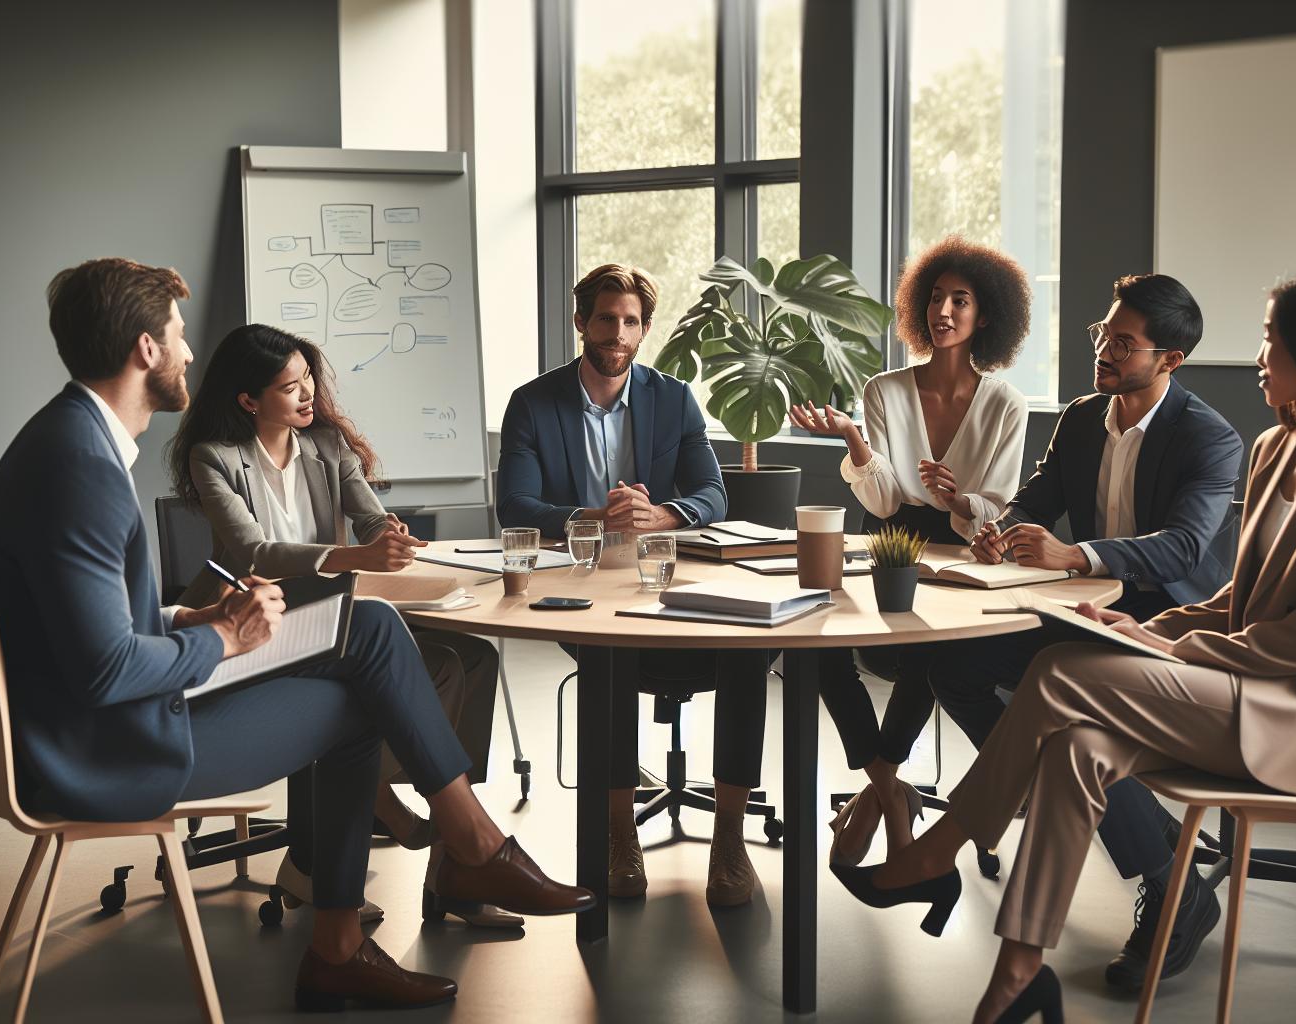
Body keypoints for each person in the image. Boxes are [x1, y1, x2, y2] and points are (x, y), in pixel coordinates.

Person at [835, 269, 1296, 1024]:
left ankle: (939, 851)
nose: (1258, 357)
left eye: (1270, 341)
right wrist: (1152, 634)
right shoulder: (1278, 447)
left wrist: (1175, 649)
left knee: (1060, 671)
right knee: (1075, 746)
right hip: (1251, 687)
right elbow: (1238, 599)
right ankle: (1019, 973)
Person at [0, 258, 593, 1012]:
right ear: (144, 350)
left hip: (109, 719)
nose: (188, 354)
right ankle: (443, 870)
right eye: (176, 335)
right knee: (365, 672)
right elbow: (105, 671)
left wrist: (185, 620)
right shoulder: (81, 467)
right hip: (112, 750)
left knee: (365, 627)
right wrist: (225, 641)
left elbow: (94, 631)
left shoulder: (68, 442)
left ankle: (440, 868)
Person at [936, 273, 1246, 991]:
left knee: (1067, 702)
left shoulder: (1209, 437)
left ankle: (1174, 889)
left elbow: (1185, 549)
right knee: (950, 665)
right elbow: (1036, 498)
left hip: (1167, 619)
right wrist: (1000, 531)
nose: (1104, 349)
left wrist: (1076, 555)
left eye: (1123, 342)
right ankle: (1058, 792)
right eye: (1102, 334)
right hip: (1088, 607)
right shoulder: (1082, 416)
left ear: (1170, 359)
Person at [166, 323, 518, 929]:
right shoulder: (215, 458)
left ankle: (447, 845)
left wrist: (389, 537)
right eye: (289, 387)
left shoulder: (327, 445)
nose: (308, 396)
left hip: (334, 622)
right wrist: (352, 557)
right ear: (249, 401)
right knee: (373, 676)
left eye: (309, 380)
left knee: (473, 658)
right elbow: (253, 552)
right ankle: (366, 829)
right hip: (251, 627)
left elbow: (370, 517)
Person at [496, 263, 769, 907]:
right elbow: (515, 505)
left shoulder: (672, 398)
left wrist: (660, 515)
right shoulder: (533, 403)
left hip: (663, 578)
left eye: (631, 322)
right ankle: (620, 835)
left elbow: (713, 493)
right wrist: (594, 517)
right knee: (608, 655)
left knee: (748, 652)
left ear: (643, 329)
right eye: (605, 319)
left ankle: (728, 838)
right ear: (581, 323)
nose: (618, 332)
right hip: (584, 581)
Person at [785, 236, 1032, 865]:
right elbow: (890, 501)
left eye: (962, 300)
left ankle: (881, 793)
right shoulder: (885, 390)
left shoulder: (1006, 402)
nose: (944, 311)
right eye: (936, 298)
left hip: (967, 550)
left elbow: (994, 501)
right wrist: (853, 441)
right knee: (810, 642)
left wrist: (959, 501)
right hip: (893, 542)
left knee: (931, 655)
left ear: (986, 317)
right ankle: (889, 785)